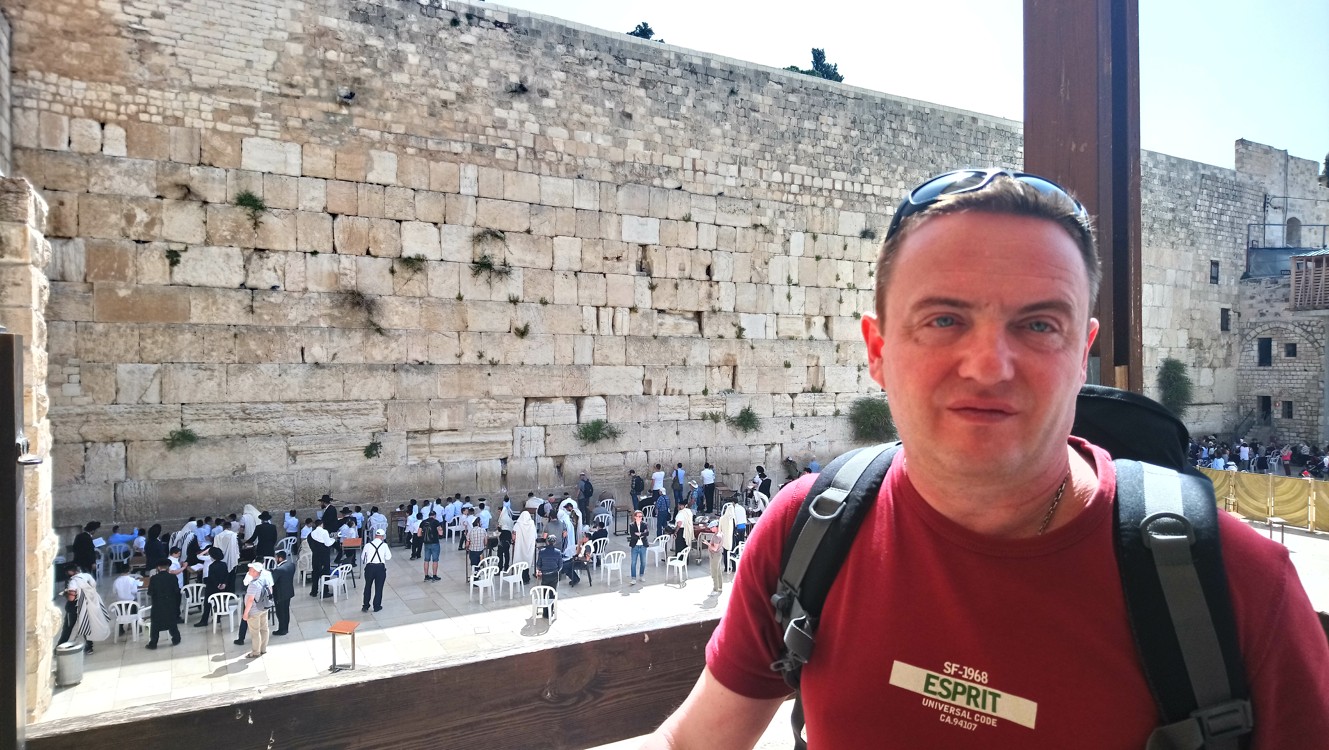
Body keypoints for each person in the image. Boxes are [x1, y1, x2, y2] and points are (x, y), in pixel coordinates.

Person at [645, 169, 1329, 748]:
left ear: (1080, 353)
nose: (988, 365)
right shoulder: (807, 532)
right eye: (943, 319)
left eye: (1038, 324)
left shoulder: (1240, 590)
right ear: (878, 351)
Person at [59, 563, 110, 653]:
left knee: (68, 627)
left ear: (70, 571)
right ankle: (89, 647)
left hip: (74, 607)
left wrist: (65, 594)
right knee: (86, 624)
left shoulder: (74, 581)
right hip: (88, 605)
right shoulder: (88, 576)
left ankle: (60, 646)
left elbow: (71, 598)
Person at [144, 558, 181, 650]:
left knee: (155, 624)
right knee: (172, 622)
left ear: (158, 568)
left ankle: (153, 643)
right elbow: (177, 591)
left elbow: (150, 592)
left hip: (158, 604)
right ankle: (176, 639)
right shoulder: (173, 577)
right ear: (168, 567)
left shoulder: (154, 579)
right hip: (170, 603)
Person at [241, 561, 273, 659]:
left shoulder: (253, 584)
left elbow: (250, 600)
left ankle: (256, 652)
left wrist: (245, 613)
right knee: (264, 629)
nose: (249, 571)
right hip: (264, 607)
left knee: (255, 632)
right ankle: (263, 649)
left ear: (256, 571)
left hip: (254, 611)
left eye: (251, 569)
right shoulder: (265, 578)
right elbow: (270, 590)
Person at [194, 547, 229, 627]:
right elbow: (226, 575)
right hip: (222, 586)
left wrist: (217, 584)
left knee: (207, 603)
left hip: (212, 587)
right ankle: (218, 618)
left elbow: (212, 577)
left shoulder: (212, 566)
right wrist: (223, 583)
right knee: (219, 601)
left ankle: (204, 620)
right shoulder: (224, 564)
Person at [361, 528, 392, 612]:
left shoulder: (367, 545)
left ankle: (365, 606)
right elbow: (388, 557)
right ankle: (376, 606)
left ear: (375, 536)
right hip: (380, 568)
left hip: (369, 568)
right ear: (382, 537)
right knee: (379, 588)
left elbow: (363, 557)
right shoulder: (384, 545)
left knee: (367, 586)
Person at [306, 520, 335, 597]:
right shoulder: (324, 532)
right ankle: (325, 591)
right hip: (324, 556)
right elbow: (328, 543)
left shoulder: (310, 535)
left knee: (315, 573)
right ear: (322, 524)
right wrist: (333, 539)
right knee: (325, 573)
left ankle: (314, 591)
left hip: (315, 556)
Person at [270, 550, 296, 636]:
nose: (275, 559)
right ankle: (286, 628)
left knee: (280, 612)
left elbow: (272, 581)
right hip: (288, 591)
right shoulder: (291, 565)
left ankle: (282, 629)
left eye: (276, 558)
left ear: (280, 558)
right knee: (286, 610)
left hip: (280, 594)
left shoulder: (278, 570)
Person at [513, 509, 537, 584]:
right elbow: (535, 535)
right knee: (527, 561)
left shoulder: (517, 525)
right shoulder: (532, 524)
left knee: (520, 560)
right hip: (529, 547)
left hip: (520, 547)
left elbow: (513, 536)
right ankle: (526, 578)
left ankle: (520, 578)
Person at [419, 510, 443, 582]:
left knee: (426, 560)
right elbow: (440, 533)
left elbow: (418, 534)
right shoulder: (436, 522)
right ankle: (434, 576)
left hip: (426, 543)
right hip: (435, 543)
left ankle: (426, 576)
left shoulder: (423, 522)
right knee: (435, 560)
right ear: (434, 516)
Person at [627, 510, 650, 585]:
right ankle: (633, 578)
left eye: (641, 516)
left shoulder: (644, 524)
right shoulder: (632, 525)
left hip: (643, 545)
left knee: (643, 562)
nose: (640, 518)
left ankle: (641, 575)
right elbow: (633, 535)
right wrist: (641, 534)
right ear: (635, 517)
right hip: (635, 546)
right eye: (638, 516)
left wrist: (640, 534)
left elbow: (647, 533)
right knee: (633, 562)